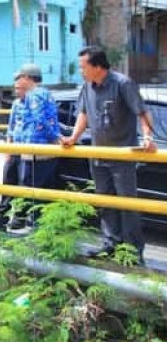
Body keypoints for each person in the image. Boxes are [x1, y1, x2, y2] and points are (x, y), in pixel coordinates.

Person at [61, 46, 156, 261]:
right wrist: (73, 138)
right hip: (98, 155)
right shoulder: (87, 86)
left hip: (122, 157)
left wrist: (148, 137)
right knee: (105, 201)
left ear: (96, 66)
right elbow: (83, 114)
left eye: (83, 67)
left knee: (127, 203)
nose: (81, 71)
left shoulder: (123, 84)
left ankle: (132, 250)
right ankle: (110, 244)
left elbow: (143, 112)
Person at [10, 63, 61, 228]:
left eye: (21, 77)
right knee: (45, 188)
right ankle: (41, 222)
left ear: (27, 78)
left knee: (28, 186)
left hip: (35, 149)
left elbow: (39, 119)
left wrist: (55, 136)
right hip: (47, 149)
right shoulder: (47, 93)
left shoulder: (33, 95)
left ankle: (23, 220)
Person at [0, 77, 25, 226]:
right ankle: (2, 214)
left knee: (23, 184)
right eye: (16, 88)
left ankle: (20, 216)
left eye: (20, 88)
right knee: (8, 181)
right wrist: (7, 149)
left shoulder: (33, 104)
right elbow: (11, 127)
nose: (17, 91)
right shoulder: (16, 104)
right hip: (14, 148)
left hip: (27, 150)